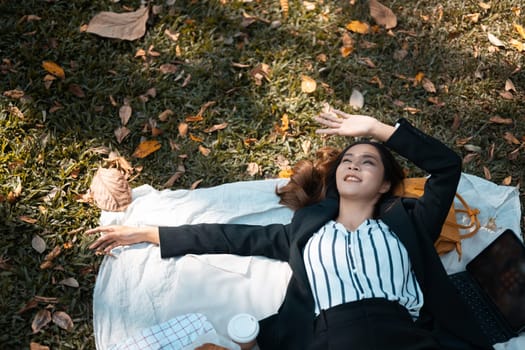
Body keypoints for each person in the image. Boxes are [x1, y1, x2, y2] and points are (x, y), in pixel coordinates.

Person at [87, 110, 493, 350]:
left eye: (368, 161)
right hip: (330, 337)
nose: (354, 164)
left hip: (404, 336)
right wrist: (149, 234)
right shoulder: (305, 230)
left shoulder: (410, 221)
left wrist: (375, 128)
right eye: (348, 160)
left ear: (385, 184)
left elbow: (446, 166)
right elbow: (232, 237)